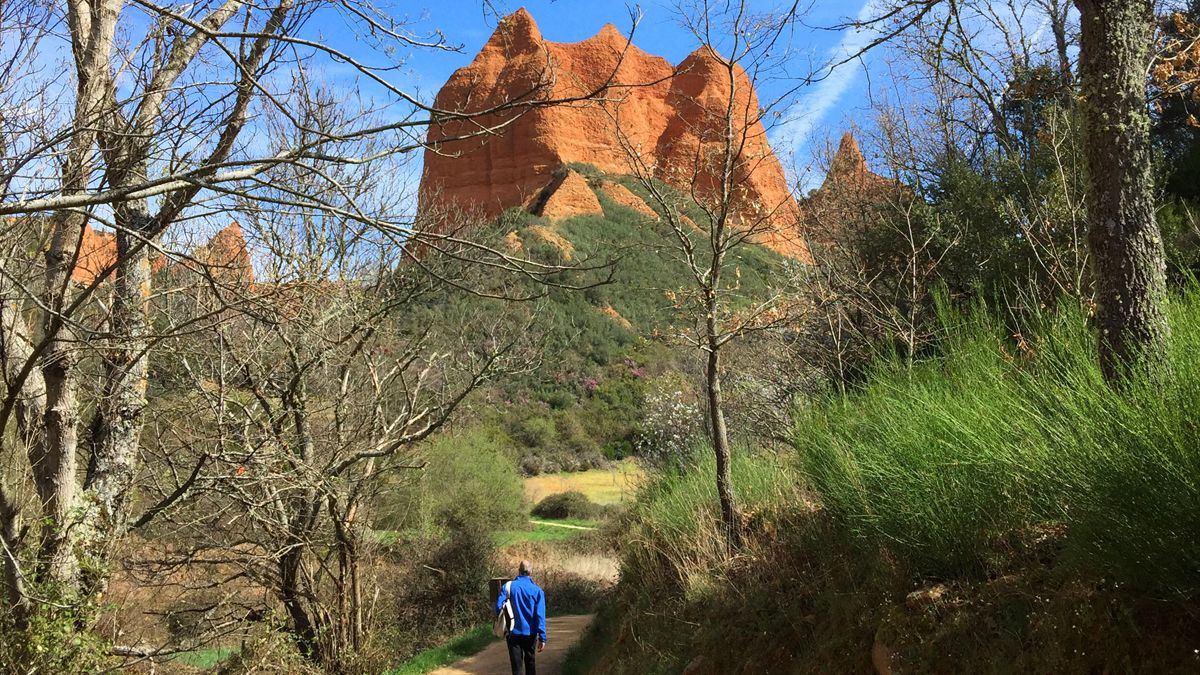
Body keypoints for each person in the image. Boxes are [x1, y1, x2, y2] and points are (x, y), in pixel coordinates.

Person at [495, 559, 547, 675]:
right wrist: (542, 637)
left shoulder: (508, 587)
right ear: (531, 572)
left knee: (516, 666)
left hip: (513, 633)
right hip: (530, 633)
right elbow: (540, 616)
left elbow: (498, 607)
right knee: (530, 663)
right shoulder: (537, 591)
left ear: (519, 571)